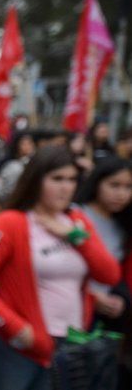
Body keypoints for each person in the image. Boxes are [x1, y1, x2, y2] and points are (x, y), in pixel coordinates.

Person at [0, 146, 121, 390]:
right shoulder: (8, 223)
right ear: (36, 180)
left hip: (70, 344)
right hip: (17, 348)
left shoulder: (77, 221)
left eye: (71, 179)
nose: (65, 187)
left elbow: (109, 274)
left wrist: (76, 237)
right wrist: (17, 329)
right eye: (57, 179)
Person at [75, 157, 132, 389]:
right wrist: (92, 297)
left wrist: (121, 300)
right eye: (114, 185)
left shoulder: (123, 224)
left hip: (107, 320)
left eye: (128, 187)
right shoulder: (77, 216)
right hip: (73, 311)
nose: (121, 194)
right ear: (97, 183)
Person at [0, 132, 36, 216]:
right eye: (24, 144)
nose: (28, 147)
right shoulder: (13, 167)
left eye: (30, 143)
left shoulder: (35, 166)